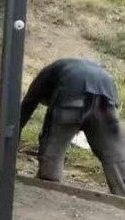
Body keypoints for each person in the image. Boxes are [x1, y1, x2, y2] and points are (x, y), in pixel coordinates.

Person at [20, 57, 125, 194]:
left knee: (53, 150)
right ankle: (122, 193)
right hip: (107, 101)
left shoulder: (43, 78)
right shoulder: (69, 68)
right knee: (115, 157)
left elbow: (25, 108)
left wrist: (12, 137)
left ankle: (48, 187)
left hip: (71, 98)